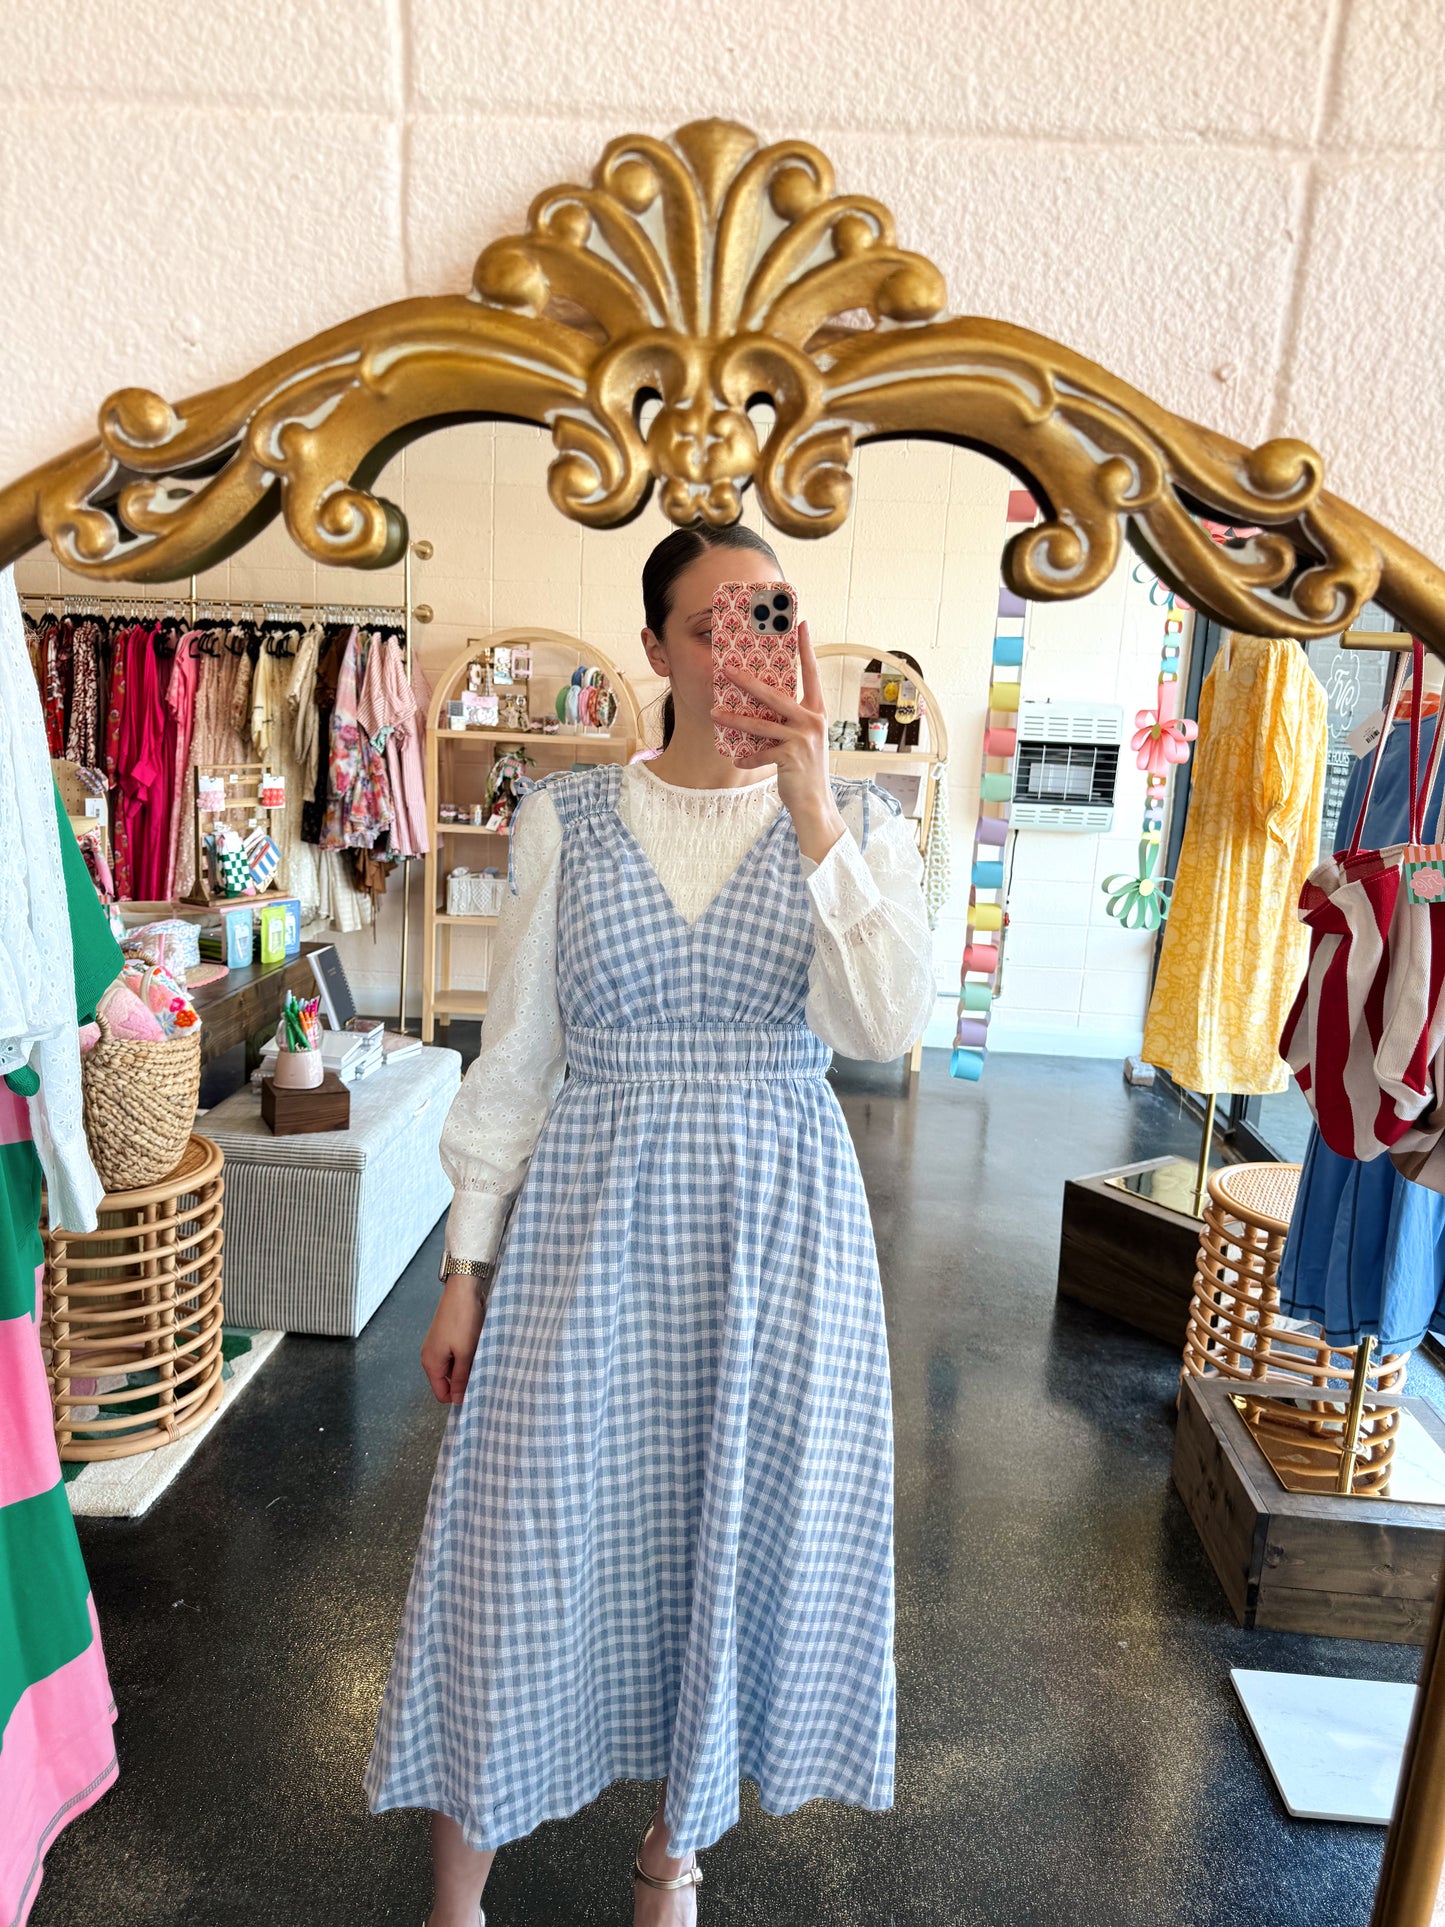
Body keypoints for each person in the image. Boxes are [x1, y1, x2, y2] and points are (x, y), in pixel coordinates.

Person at [365, 525, 935, 1927]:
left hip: (776, 1230)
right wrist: (462, 1265)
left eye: (772, 614)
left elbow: (881, 1029)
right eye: (713, 622)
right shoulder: (566, 818)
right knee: (518, 1534)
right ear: (657, 651)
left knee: (722, 1529)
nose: (748, 645)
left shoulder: (862, 829)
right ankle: (460, 1889)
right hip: (590, 1220)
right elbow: (514, 1061)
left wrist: (812, 810)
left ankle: (673, 1852)